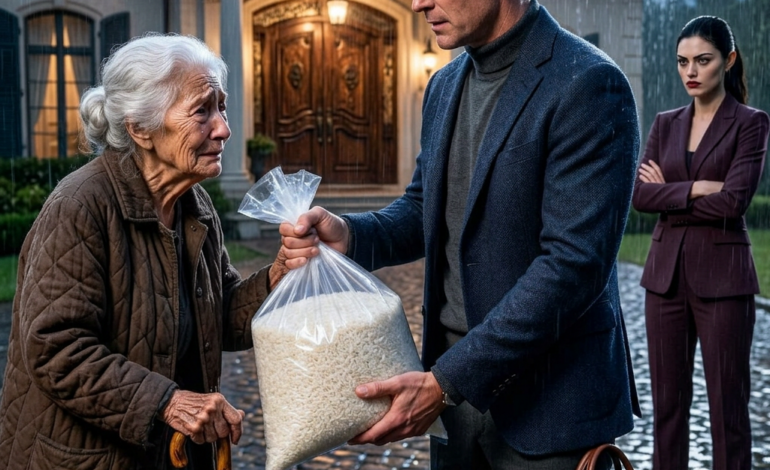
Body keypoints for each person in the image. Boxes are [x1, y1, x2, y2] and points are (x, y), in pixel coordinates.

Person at [279, 0, 641, 468]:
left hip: (550, 409)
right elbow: (423, 207)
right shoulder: (443, 85)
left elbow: (572, 267)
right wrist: (350, 235)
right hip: (454, 405)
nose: (417, 4)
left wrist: (447, 382)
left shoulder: (589, 82)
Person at [0, 34, 289, 470]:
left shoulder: (194, 205)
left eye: (222, 106)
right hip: (84, 459)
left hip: (171, 456)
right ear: (141, 128)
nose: (224, 128)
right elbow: (55, 348)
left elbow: (222, 316)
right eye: (202, 110)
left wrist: (278, 278)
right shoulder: (81, 204)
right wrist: (168, 402)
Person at [632, 16, 769, 470]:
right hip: (664, 282)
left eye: (703, 61)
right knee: (667, 412)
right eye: (682, 62)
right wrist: (696, 188)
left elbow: (734, 202)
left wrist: (670, 189)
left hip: (724, 283)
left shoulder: (751, 123)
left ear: (728, 61)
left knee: (728, 412)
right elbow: (638, 195)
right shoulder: (665, 123)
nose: (691, 71)